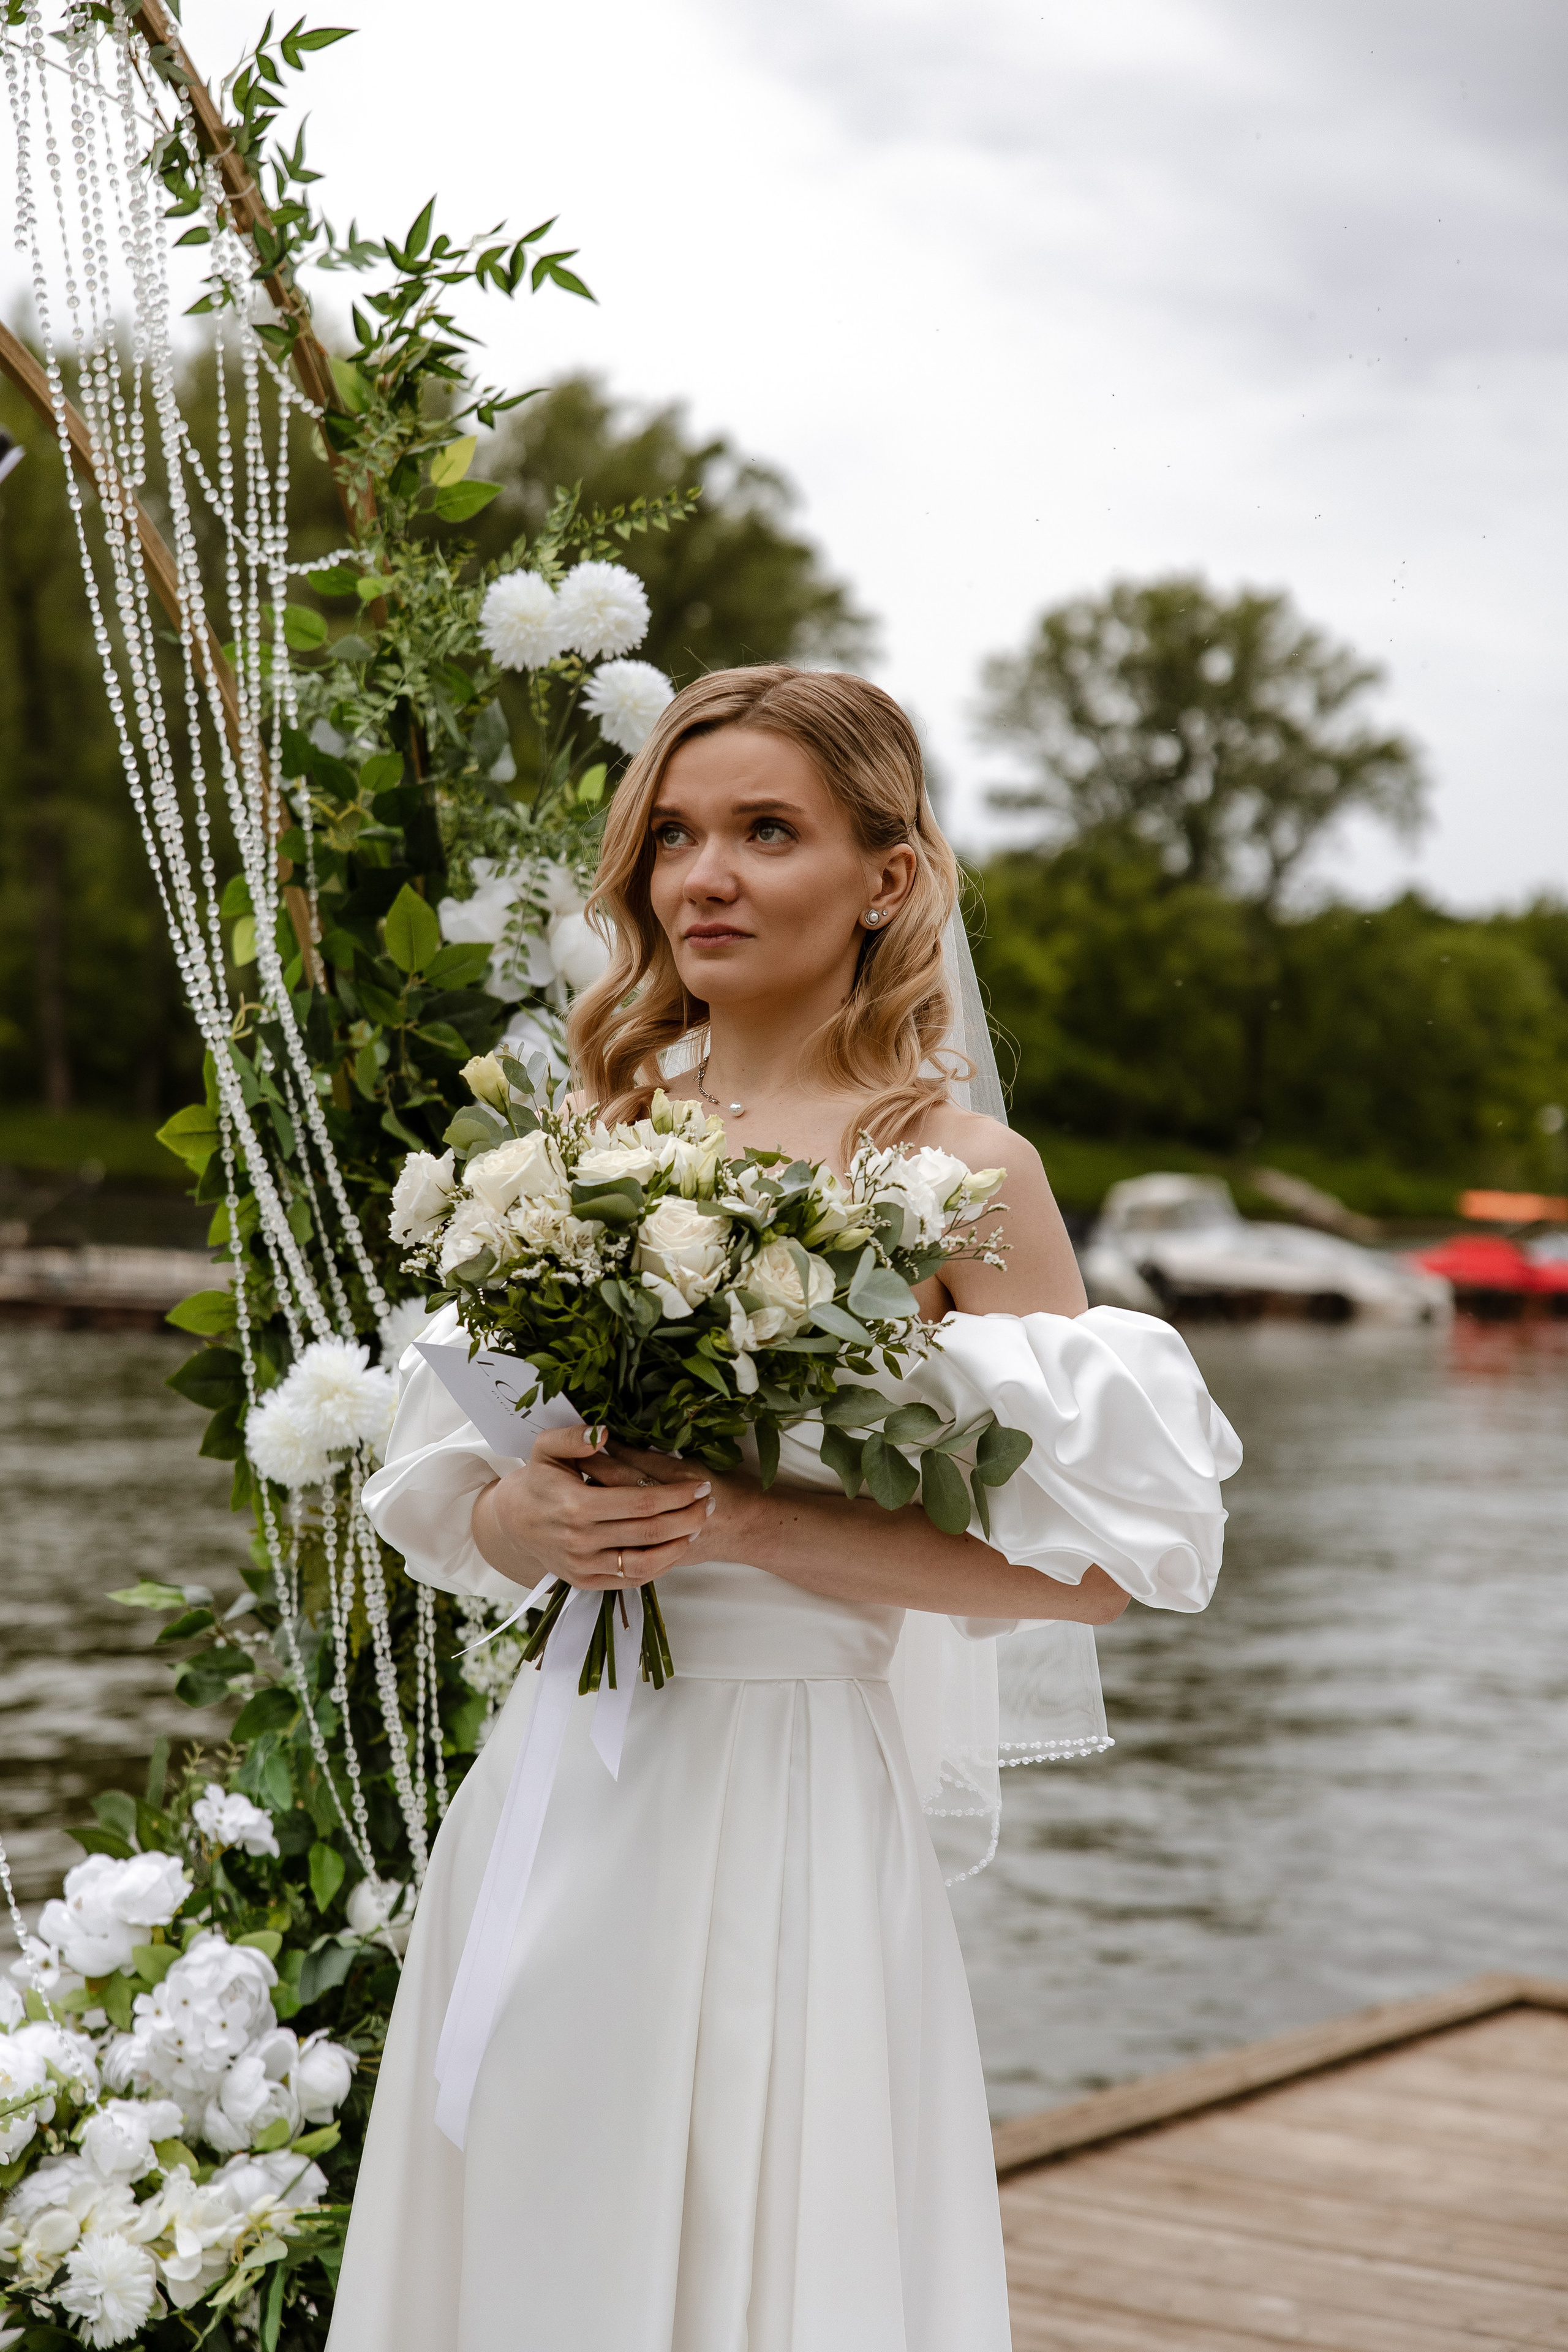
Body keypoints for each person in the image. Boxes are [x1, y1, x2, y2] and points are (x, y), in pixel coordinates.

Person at [330, 667, 1239, 2352]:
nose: (704, 877)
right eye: (674, 836)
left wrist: (747, 1532)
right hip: (564, 1773)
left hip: (795, 1786)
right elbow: (460, 1502)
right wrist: (542, 1519)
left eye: (768, 831)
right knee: (535, 2182)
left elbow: (1098, 1572)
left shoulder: (959, 1174)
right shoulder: (569, 1141)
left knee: (769, 2212)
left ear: (887, 877)